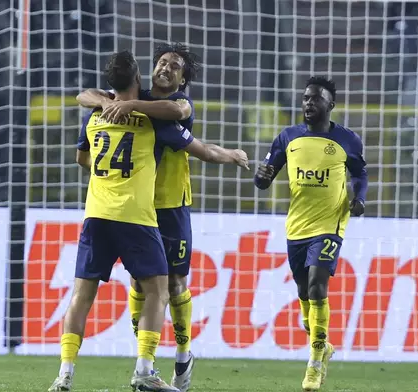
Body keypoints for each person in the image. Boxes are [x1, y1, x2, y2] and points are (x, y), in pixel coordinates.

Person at [76, 43, 249, 392]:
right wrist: (110, 102)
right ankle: (147, 364)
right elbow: (86, 94)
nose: (165, 68)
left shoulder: (175, 106)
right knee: (141, 285)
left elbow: (185, 122)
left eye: (174, 66)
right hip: (133, 207)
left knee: (173, 284)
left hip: (170, 205)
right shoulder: (129, 93)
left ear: (183, 78)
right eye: (161, 62)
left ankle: (183, 354)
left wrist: (230, 153)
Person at [254, 77, 367, 392]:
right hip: (297, 227)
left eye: (315, 98)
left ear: (330, 104)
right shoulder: (288, 137)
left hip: (330, 225)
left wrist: (358, 198)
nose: (308, 103)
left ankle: (315, 360)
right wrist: (259, 177)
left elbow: (360, 173)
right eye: (305, 98)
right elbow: (265, 178)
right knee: (305, 292)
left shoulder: (347, 140)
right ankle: (322, 342)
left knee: (318, 284)